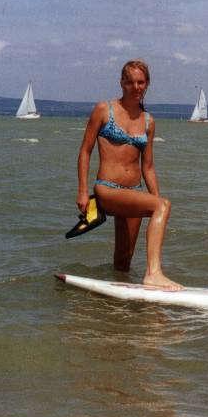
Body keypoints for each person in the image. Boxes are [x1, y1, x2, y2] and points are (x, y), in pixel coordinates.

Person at [76, 59, 182, 291]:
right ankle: (153, 274)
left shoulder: (148, 121)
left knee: (124, 259)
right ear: (122, 83)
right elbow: (85, 151)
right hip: (107, 189)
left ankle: (115, 300)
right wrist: (83, 191)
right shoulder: (104, 110)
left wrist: (155, 199)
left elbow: (148, 167)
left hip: (133, 191)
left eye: (141, 82)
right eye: (130, 82)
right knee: (163, 205)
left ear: (147, 84)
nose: (136, 87)